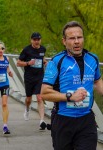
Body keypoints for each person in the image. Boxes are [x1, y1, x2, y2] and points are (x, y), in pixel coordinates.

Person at [41, 21, 103, 150]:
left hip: (86, 119)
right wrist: (70, 96)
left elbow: (97, 81)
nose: (76, 41)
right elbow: (45, 93)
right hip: (63, 120)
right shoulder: (56, 61)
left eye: (79, 37)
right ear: (64, 41)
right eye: (72, 38)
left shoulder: (93, 59)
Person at [17, 32, 47, 130]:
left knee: (39, 97)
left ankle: (42, 121)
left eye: (38, 39)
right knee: (29, 98)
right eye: (35, 39)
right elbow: (18, 63)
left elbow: (42, 58)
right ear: (31, 40)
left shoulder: (43, 49)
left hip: (39, 76)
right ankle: (27, 109)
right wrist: (28, 63)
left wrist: (45, 61)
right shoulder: (26, 50)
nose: (37, 41)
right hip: (29, 77)